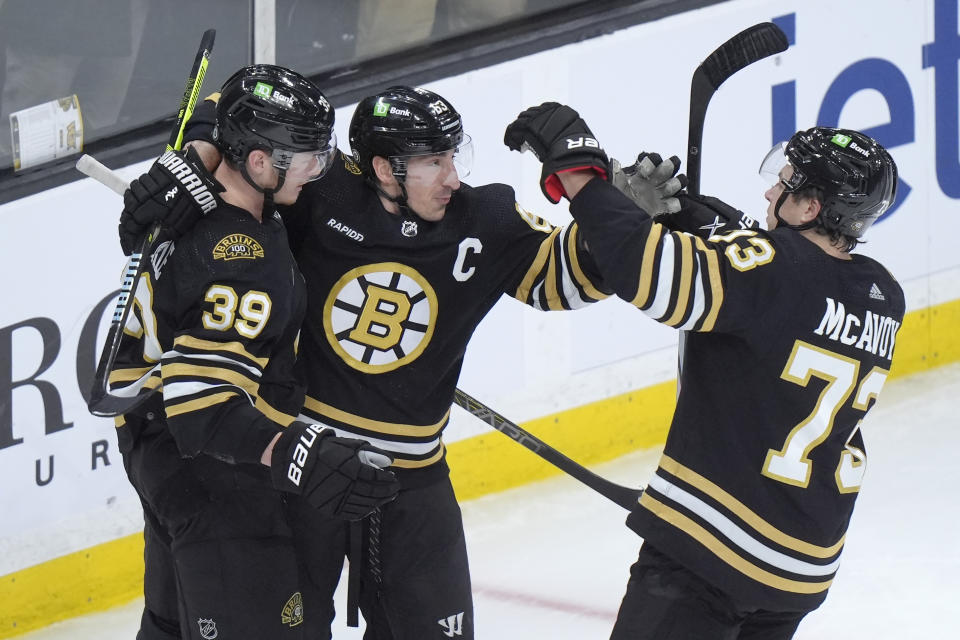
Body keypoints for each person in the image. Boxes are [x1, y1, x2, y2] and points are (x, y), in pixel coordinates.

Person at [115, 83, 685, 638]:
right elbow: (244, 104)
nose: (453, 177)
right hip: (303, 466)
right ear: (385, 168)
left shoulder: (484, 218)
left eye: (453, 156)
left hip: (411, 478)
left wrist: (618, 225)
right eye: (433, 161)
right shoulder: (315, 190)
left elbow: (562, 280)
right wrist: (190, 164)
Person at [503, 102, 904, 639]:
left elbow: (653, 276)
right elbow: (770, 271)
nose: (768, 194)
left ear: (809, 207)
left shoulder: (773, 270)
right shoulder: (881, 293)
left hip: (715, 553)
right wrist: (693, 214)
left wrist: (583, 177)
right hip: (803, 567)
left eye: (784, 184)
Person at [108, 64, 399, 640]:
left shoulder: (192, 196)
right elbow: (203, 410)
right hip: (215, 476)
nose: (317, 171)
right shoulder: (240, 259)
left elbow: (236, 94)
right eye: (307, 156)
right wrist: (302, 453)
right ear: (260, 162)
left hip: (154, 451)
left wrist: (197, 147)